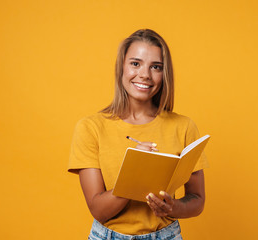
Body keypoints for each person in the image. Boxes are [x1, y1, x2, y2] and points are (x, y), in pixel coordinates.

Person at [68, 29, 209, 240]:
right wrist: (135, 169)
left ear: (164, 73)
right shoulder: (90, 128)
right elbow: (99, 211)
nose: (145, 74)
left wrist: (172, 207)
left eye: (156, 67)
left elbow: (197, 200)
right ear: (121, 68)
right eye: (135, 63)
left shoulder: (184, 126)